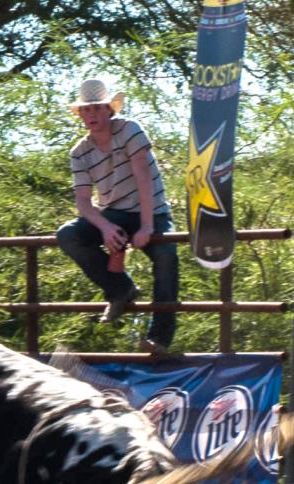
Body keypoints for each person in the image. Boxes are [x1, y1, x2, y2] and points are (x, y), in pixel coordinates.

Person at [56, 78, 179, 356]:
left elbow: (143, 177)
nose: (92, 115)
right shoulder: (79, 152)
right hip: (113, 212)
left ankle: (159, 338)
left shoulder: (130, 130)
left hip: (152, 209)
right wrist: (107, 227)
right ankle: (120, 289)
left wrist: (147, 225)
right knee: (68, 234)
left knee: (166, 255)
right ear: (80, 114)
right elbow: (84, 204)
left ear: (109, 110)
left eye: (97, 109)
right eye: (86, 110)